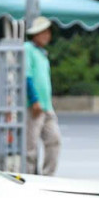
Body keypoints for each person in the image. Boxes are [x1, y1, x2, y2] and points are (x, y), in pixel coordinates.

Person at [23, 16, 62, 176]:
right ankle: (30, 178)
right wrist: (34, 100)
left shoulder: (42, 53)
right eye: (43, 32)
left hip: (46, 106)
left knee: (54, 141)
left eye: (48, 32)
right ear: (36, 34)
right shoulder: (28, 49)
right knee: (30, 149)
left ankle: (48, 176)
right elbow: (27, 76)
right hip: (34, 105)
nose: (47, 36)